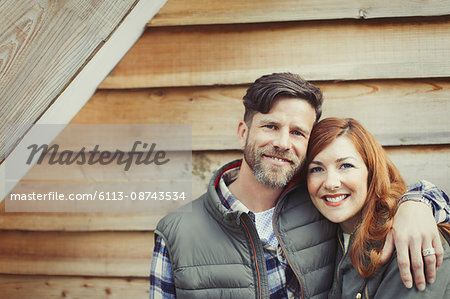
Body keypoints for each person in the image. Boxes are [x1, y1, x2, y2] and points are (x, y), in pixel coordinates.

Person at [149, 73, 449, 298]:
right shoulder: (177, 233)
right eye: (270, 126)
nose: (282, 143)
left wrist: (419, 201)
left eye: (297, 132)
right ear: (243, 133)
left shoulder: (319, 205)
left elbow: (381, 200)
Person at [305, 117, 450, 298]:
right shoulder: (321, 237)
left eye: (346, 166)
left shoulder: (411, 239)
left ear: (371, 171)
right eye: (317, 169)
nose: (331, 183)